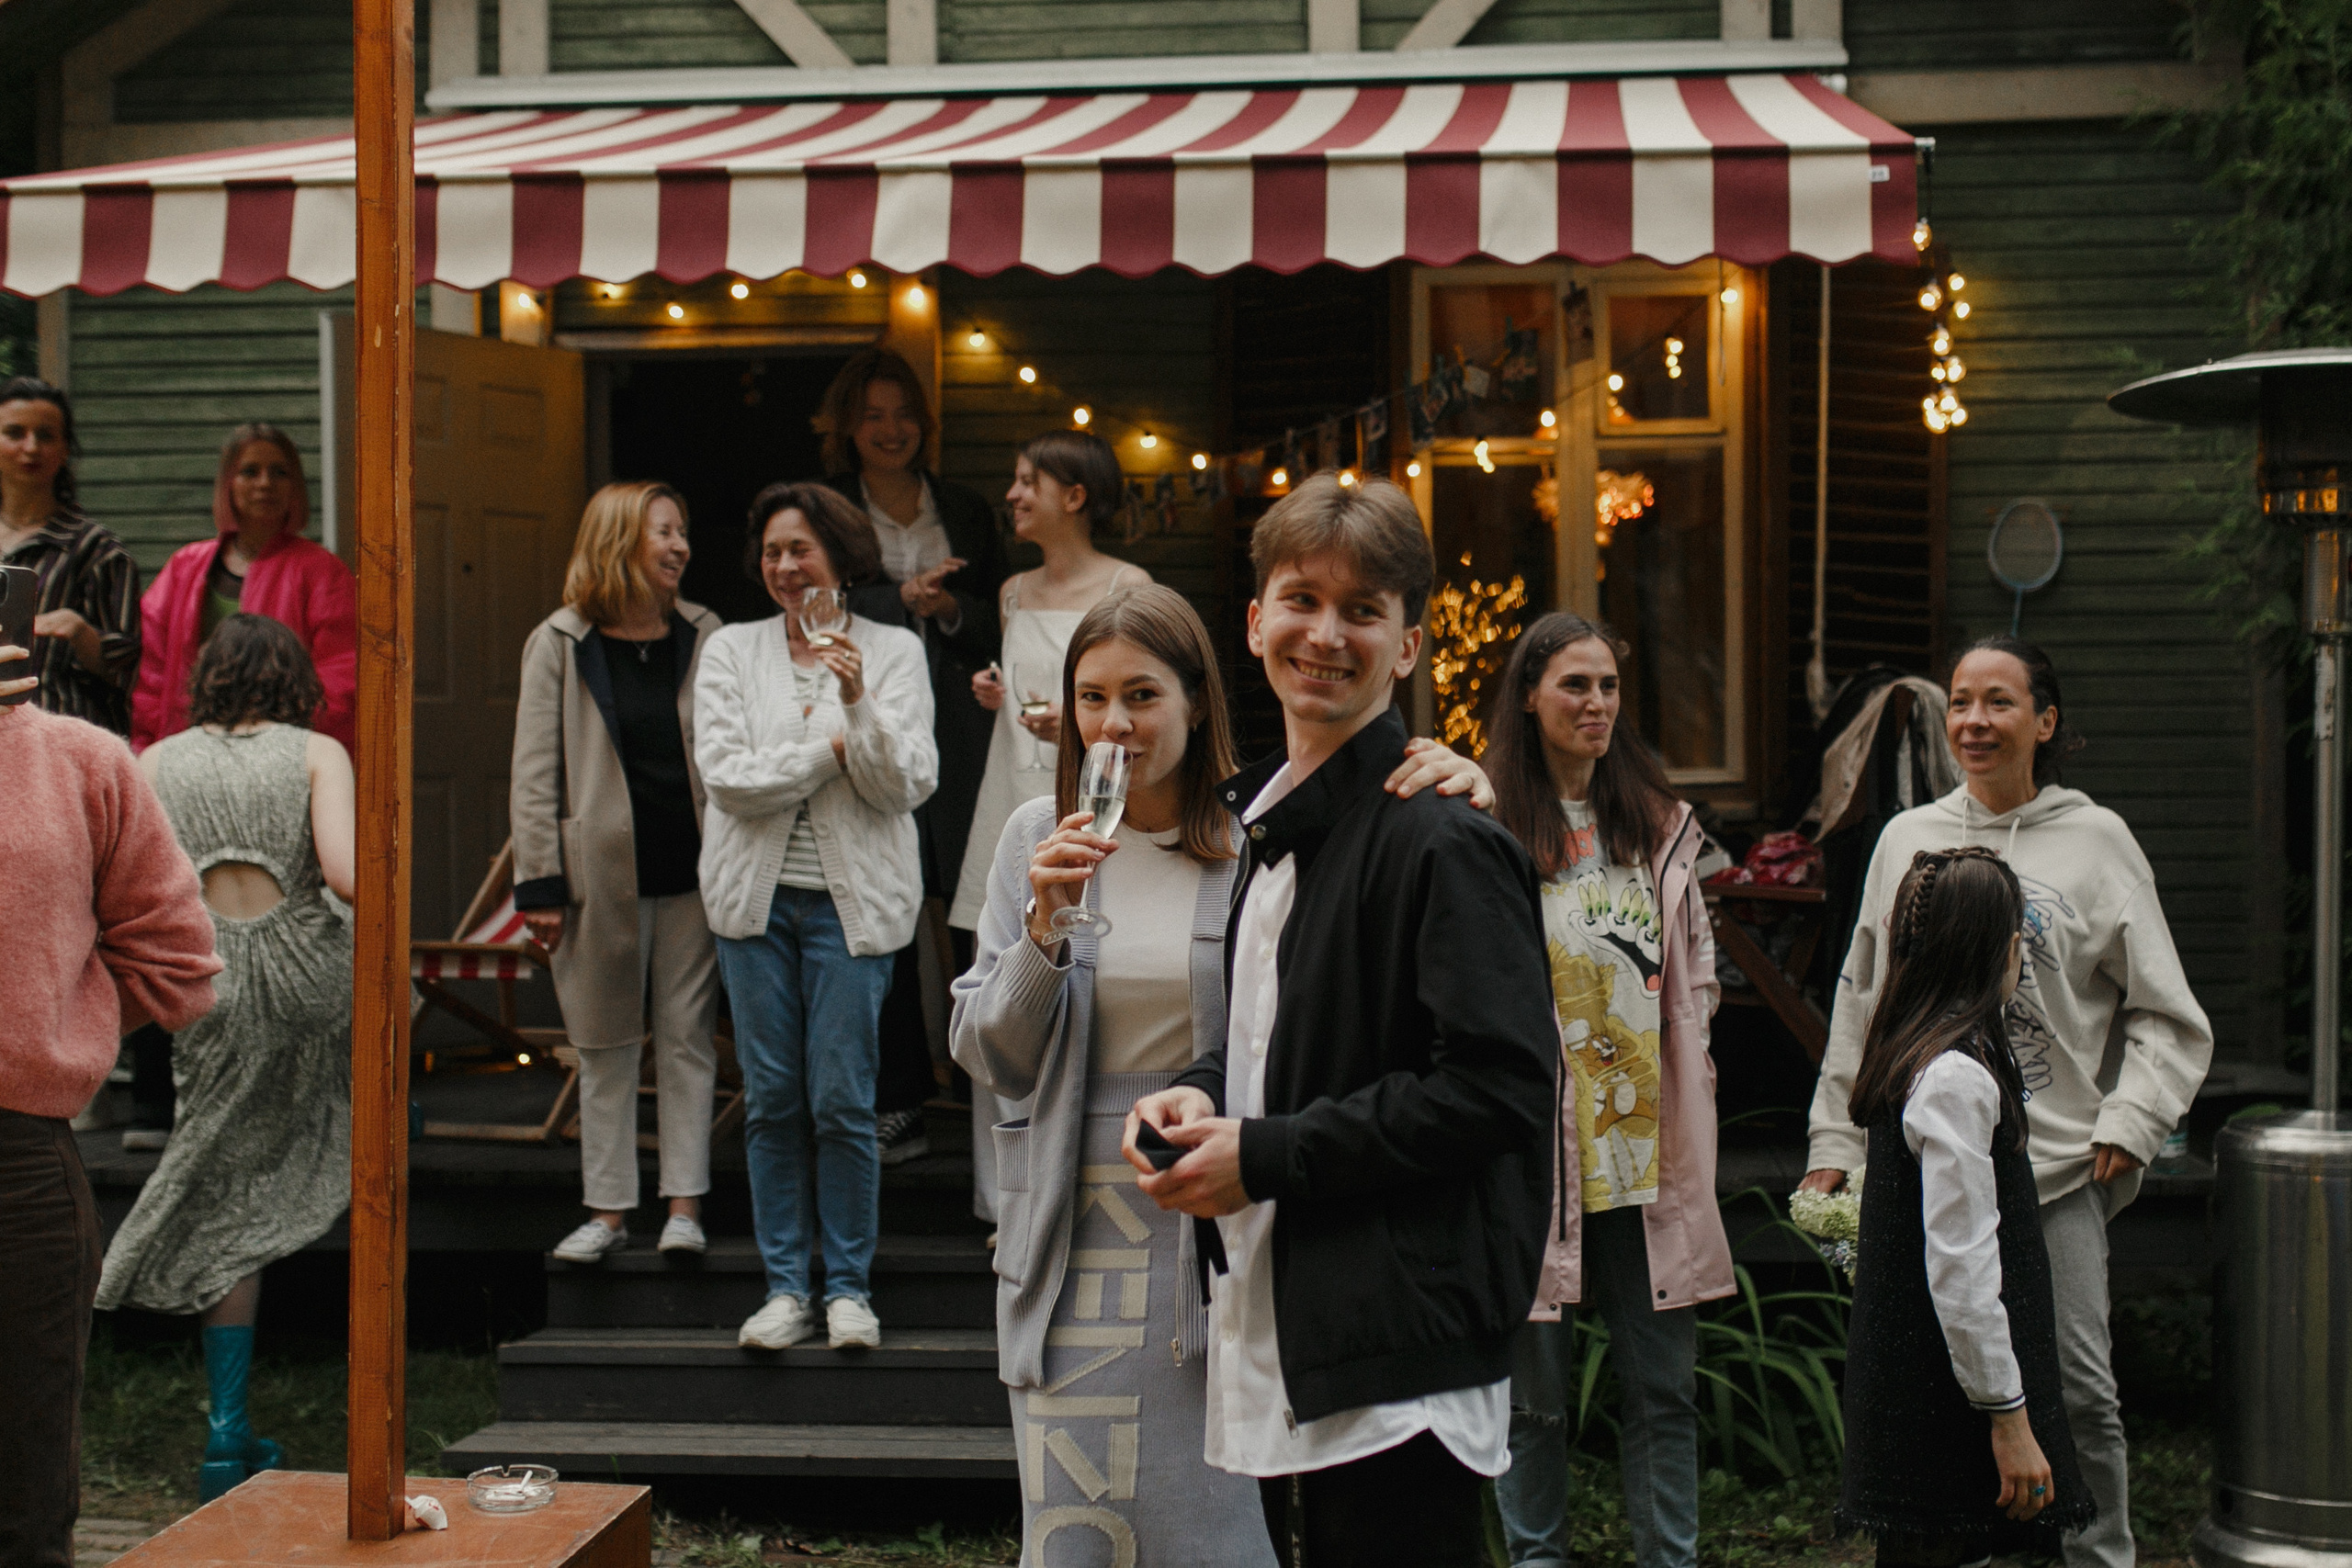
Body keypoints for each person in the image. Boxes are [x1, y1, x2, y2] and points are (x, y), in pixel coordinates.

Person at [954, 583, 1498, 1565]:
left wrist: (1456, 776)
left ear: (1197, 701)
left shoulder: (1260, 833)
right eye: (1091, 698)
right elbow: (989, 1055)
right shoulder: (1034, 837)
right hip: (1068, 1232)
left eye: (1142, 695)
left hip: (1216, 1212)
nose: (1114, 724)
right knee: (1078, 1526)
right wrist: (1042, 931)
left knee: (1215, 1530)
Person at [1125, 475, 1558, 1568]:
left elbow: (1497, 1090)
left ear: (1406, 647)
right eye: (1302, 600)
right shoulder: (1275, 829)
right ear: (1254, 621)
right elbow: (1289, 1033)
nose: (1325, 635)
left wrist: (1264, 1155)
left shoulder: (1442, 838)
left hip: (1400, 1352)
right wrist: (1203, 1095)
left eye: (1362, 610)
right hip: (1299, 1325)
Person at [1803, 637, 2212, 1568]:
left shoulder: (2099, 842)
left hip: (2055, 1170)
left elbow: (2169, 1016)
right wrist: (1834, 1139)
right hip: (1921, 1159)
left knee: (2080, 1390)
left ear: (2046, 721)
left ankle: (2097, 1555)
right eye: (1960, 701)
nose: (1974, 722)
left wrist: (2134, 1117)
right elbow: (1862, 1000)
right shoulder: (1905, 839)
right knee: (1931, 1389)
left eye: (1999, 702)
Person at [1480, 612, 1733, 1568]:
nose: (1595, 703)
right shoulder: (1488, 823)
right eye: (1573, 685)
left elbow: (1697, 967)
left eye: (1608, 686)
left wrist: (1689, 1054)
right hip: (1534, 1152)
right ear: (1529, 696)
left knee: (1663, 1390)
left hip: (1647, 1151)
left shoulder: (1656, 823)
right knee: (1533, 1401)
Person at [96, 615, 355, 1503]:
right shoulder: (317, 753)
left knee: (221, 1168)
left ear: (208, 676)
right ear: (294, 679)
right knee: (311, 1136)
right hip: (307, 983)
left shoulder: (158, 762)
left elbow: (127, 889)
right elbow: (346, 876)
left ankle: (225, 1431)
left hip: (206, 980)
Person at [696, 481, 936, 1352]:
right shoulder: (730, 649)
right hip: (753, 909)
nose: (786, 566)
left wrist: (858, 704)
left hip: (851, 909)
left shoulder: (894, 651)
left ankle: (847, 1290)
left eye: (801, 548)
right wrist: (830, 748)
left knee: (841, 1100)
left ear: (840, 555)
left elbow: (907, 783)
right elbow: (728, 778)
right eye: (772, 552)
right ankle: (784, 1288)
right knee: (771, 1100)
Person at [0, 646, 218, 1568]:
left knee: (23, 1498)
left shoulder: (81, 761)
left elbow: (177, 954)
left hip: (18, 1162)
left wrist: (61, 1028)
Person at [1837, 845, 2096, 1565]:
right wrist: (2008, 1415)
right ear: (1998, 950)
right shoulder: (1954, 1076)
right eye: (2016, 938)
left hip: (1932, 1395)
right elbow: (1963, 1266)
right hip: (1947, 1410)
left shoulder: (1927, 1051)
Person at [511, 482, 725, 1264]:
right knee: (604, 1045)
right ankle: (606, 1213)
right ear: (617, 540)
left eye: (682, 531)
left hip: (695, 875)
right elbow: (534, 772)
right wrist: (539, 884)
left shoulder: (706, 633)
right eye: (663, 532)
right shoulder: (560, 641)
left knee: (687, 1040)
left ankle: (684, 1208)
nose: (680, 546)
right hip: (594, 883)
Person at [952, 428, 1148, 1230]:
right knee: (997, 978)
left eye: (1029, 481)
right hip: (1009, 794)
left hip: (1086, 795)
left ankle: (1073, 1178)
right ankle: (1001, 1199)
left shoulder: (1127, 584)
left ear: (1075, 495)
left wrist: (1075, 725)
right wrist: (999, 697)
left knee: (1076, 979)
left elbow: (1126, 692)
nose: (1013, 494)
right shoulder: (1011, 591)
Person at [820, 349, 1007, 1168]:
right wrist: (898, 599)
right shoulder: (828, 508)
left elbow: (1002, 615)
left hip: (964, 728)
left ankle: (981, 1085)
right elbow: (811, 604)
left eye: (903, 414)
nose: (890, 430)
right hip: (872, 723)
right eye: (873, 416)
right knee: (887, 904)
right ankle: (898, 1097)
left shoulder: (962, 507)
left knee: (973, 902)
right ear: (847, 428)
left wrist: (952, 607)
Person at [131, 422, 359, 753]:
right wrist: (148, 749)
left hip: (282, 754)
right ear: (228, 483)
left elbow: (342, 676)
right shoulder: (184, 568)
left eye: (280, 472)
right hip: (190, 751)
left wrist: (280, 733)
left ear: (295, 485)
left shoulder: (324, 573)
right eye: (250, 471)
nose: (265, 483)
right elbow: (151, 676)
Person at [0, 378, 141, 736]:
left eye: (46, 435)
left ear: (65, 450)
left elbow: (129, 674)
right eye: (15, 433)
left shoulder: (99, 551)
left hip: (62, 746)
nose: (31, 447)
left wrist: (81, 634)